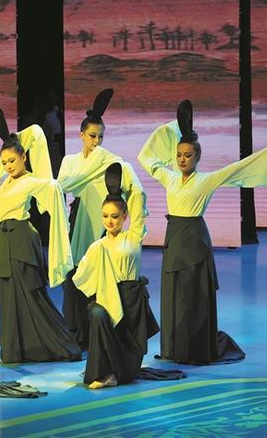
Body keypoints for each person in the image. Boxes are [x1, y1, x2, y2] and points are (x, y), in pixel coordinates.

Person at [138, 100, 267, 365]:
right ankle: (173, 348)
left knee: (192, 297)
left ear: (198, 157)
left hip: (194, 241)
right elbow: (145, 159)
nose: (182, 159)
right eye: (179, 155)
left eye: (188, 155)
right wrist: (175, 128)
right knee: (173, 295)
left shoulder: (206, 180)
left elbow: (240, 170)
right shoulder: (169, 177)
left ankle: (193, 349)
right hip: (173, 239)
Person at [0, 108, 82, 364]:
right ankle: (16, 349)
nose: (8, 166)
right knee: (10, 296)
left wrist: (55, 184)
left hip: (22, 238)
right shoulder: (5, 181)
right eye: (4, 163)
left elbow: (52, 187)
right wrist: (9, 138)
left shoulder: (30, 180)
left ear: (24, 157)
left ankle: (58, 343)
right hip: (6, 240)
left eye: (12, 160)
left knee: (31, 295)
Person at [57, 89, 147, 350]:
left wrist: (131, 220)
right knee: (74, 273)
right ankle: (76, 331)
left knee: (99, 274)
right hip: (79, 217)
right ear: (81, 135)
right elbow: (61, 186)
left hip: (102, 221)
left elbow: (134, 186)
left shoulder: (110, 161)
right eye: (92, 136)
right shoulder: (70, 161)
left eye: (101, 137)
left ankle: (101, 331)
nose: (97, 141)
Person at [73, 163, 161, 389]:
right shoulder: (98, 246)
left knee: (128, 366)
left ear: (125, 216)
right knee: (97, 314)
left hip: (131, 303)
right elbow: (80, 277)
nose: (109, 221)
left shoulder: (133, 236)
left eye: (114, 216)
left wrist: (125, 169)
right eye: (105, 216)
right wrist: (99, 286)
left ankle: (119, 371)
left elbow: (138, 195)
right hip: (108, 299)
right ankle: (104, 372)